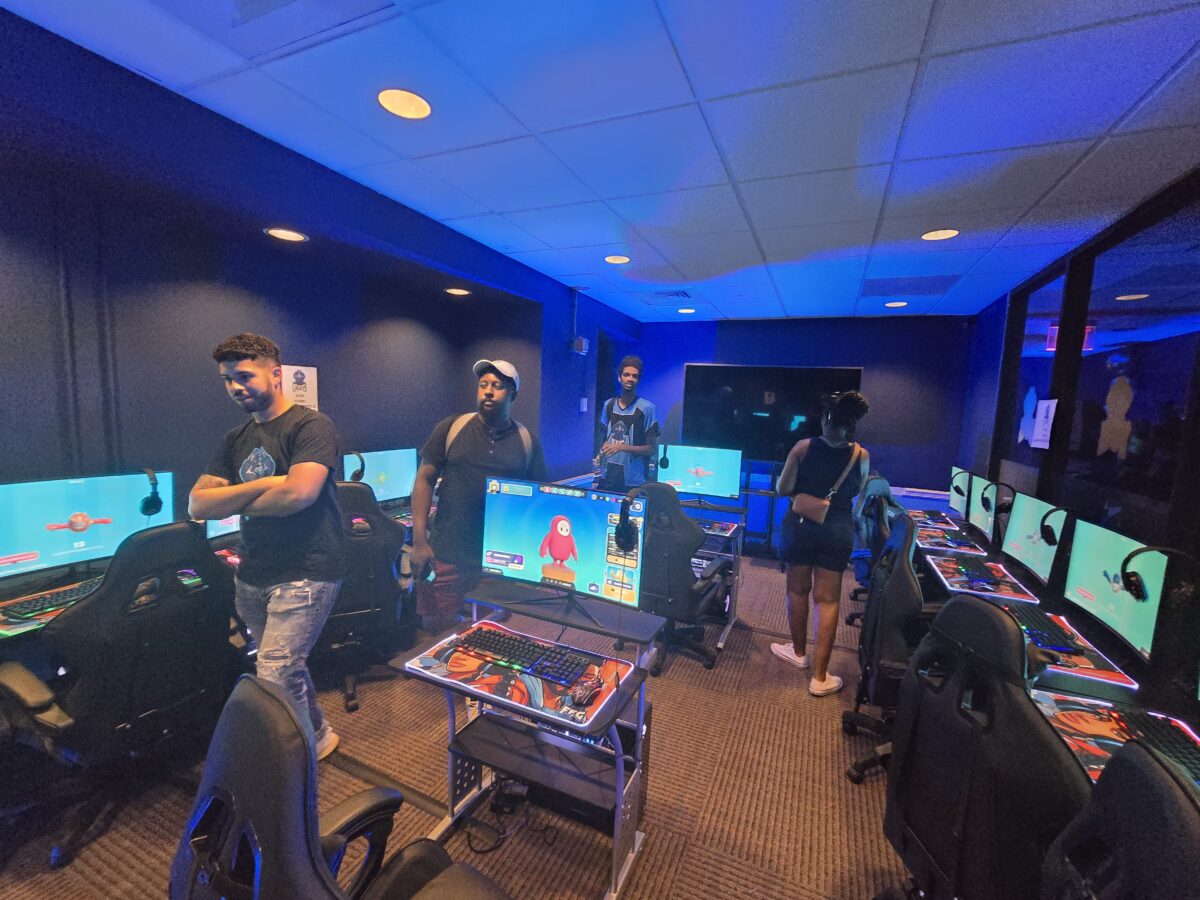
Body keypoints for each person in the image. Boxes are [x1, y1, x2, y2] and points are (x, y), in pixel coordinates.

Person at [188, 333, 345, 759]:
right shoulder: (233, 438)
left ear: (275, 374)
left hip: (307, 571)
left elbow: (299, 495)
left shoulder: (311, 426)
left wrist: (240, 497)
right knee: (285, 668)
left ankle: (292, 764)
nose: (236, 387)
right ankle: (319, 734)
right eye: (227, 380)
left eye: (244, 376)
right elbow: (198, 504)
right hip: (253, 574)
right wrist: (269, 484)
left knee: (274, 673)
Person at [410, 359, 546, 632]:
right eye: (483, 385)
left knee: (490, 630)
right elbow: (424, 479)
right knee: (436, 626)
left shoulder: (526, 440)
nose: (487, 391)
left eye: (497, 386)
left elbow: (538, 499)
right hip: (447, 549)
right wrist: (419, 541)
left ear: (513, 395)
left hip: (498, 559)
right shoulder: (452, 428)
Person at [770, 391, 871, 696]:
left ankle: (799, 654)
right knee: (827, 602)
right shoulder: (861, 455)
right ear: (851, 424)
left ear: (826, 418)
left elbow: (783, 488)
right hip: (837, 530)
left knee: (797, 591)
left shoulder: (803, 447)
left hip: (801, 528)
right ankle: (820, 677)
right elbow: (859, 490)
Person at [596, 356, 659, 491]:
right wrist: (600, 453)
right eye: (626, 375)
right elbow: (603, 438)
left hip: (634, 480)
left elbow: (651, 449)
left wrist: (622, 447)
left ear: (638, 380)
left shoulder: (647, 408)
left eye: (634, 376)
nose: (630, 379)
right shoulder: (609, 405)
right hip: (608, 476)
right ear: (620, 377)